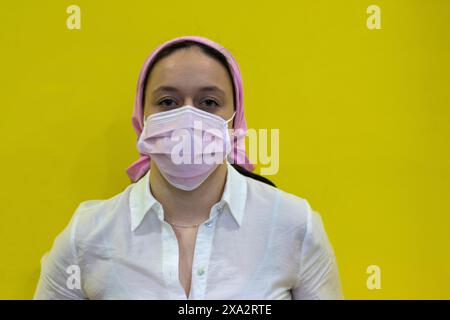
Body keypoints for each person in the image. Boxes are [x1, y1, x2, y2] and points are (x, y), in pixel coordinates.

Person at [34, 35, 343, 300]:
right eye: (167, 102)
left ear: (235, 119)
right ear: (142, 117)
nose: (188, 118)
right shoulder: (87, 233)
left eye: (209, 102)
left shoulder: (294, 225)